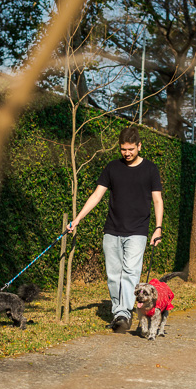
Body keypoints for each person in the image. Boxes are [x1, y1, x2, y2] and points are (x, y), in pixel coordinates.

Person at [67, 127, 163, 332]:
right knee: (113, 275)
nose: (127, 153)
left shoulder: (150, 169)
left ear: (139, 146)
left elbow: (157, 200)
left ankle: (123, 312)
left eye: (130, 149)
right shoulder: (112, 168)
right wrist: (77, 219)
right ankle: (120, 311)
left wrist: (158, 227)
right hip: (112, 230)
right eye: (123, 149)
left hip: (138, 231)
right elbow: (96, 196)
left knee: (130, 273)